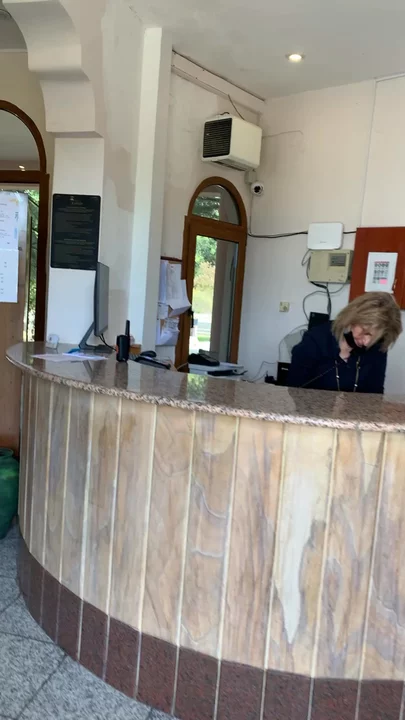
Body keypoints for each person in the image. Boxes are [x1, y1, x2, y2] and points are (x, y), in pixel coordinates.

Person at [288, 292, 402, 393]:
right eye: (365, 332)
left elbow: (375, 396)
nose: (367, 343)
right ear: (352, 319)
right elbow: (294, 390)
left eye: (375, 338)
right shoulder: (315, 340)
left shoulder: (377, 347)